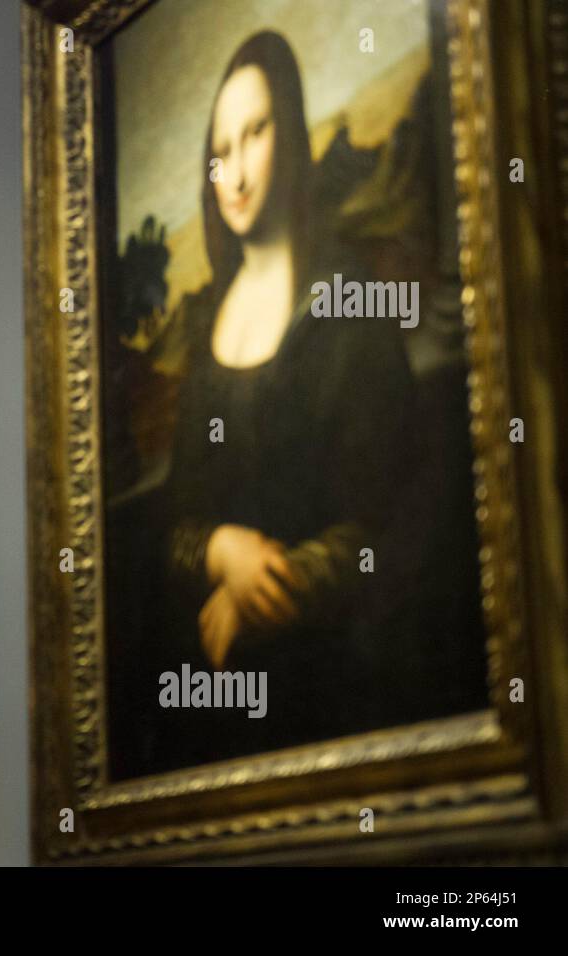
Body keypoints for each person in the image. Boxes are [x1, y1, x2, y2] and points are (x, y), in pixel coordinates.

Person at [157, 31, 419, 759]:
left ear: (292, 131)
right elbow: (176, 527)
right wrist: (219, 549)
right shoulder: (206, 331)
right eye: (221, 149)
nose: (235, 171)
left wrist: (267, 584)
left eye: (256, 133)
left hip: (337, 684)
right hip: (218, 704)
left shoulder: (348, 301)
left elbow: (390, 520)